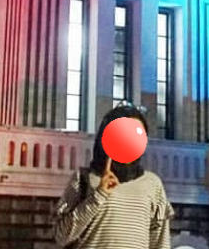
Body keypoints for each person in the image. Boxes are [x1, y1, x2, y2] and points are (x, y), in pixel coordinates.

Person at [54, 103, 174, 249]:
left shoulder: (152, 184)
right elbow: (61, 236)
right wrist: (99, 195)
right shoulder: (83, 178)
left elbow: (160, 243)